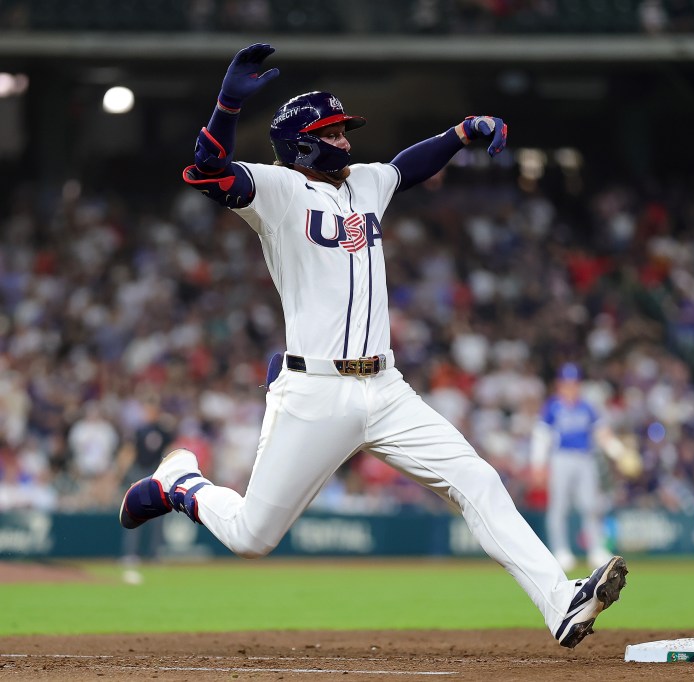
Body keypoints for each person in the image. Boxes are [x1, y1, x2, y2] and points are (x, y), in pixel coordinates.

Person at [118, 43, 626, 649]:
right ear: (304, 142)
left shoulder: (364, 182)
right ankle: (183, 485)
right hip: (314, 390)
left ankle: (560, 602)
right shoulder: (276, 192)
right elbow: (207, 170)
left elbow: (408, 167)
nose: (347, 142)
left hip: (386, 388)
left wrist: (461, 132)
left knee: (477, 480)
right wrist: (227, 105)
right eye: (334, 132)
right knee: (253, 537)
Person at [529, 362, 639, 572]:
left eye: (574, 383)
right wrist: (538, 465)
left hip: (585, 458)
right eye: (566, 383)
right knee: (559, 507)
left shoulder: (586, 406)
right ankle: (560, 551)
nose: (570, 387)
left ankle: (596, 550)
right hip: (561, 458)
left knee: (590, 505)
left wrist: (619, 453)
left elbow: (602, 434)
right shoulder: (553, 406)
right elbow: (541, 437)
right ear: (559, 384)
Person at [116, 396, 176, 585]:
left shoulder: (162, 430)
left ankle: (155, 554)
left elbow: (171, 449)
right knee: (134, 513)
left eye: (151, 410)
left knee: (158, 517)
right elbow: (129, 451)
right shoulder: (139, 430)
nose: (148, 414)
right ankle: (130, 554)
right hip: (140, 474)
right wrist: (121, 473)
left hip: (156, 475)